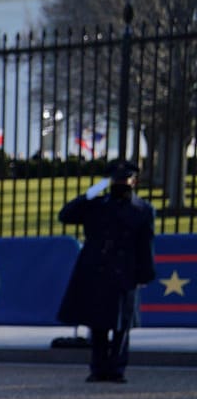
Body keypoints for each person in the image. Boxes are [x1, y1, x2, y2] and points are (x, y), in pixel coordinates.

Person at [57, 159, 157, 383]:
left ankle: (117, 368)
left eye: (126, 179)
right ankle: (99, 368)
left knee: (122, 324)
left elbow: (145, 244)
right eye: (117, 179)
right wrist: (89, 194)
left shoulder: (142, 210)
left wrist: (145, 273)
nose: (121, 183)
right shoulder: (96, 205)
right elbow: (66, 215)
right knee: (99, 322)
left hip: (125, 270)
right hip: (97, 268)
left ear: (134, 181)